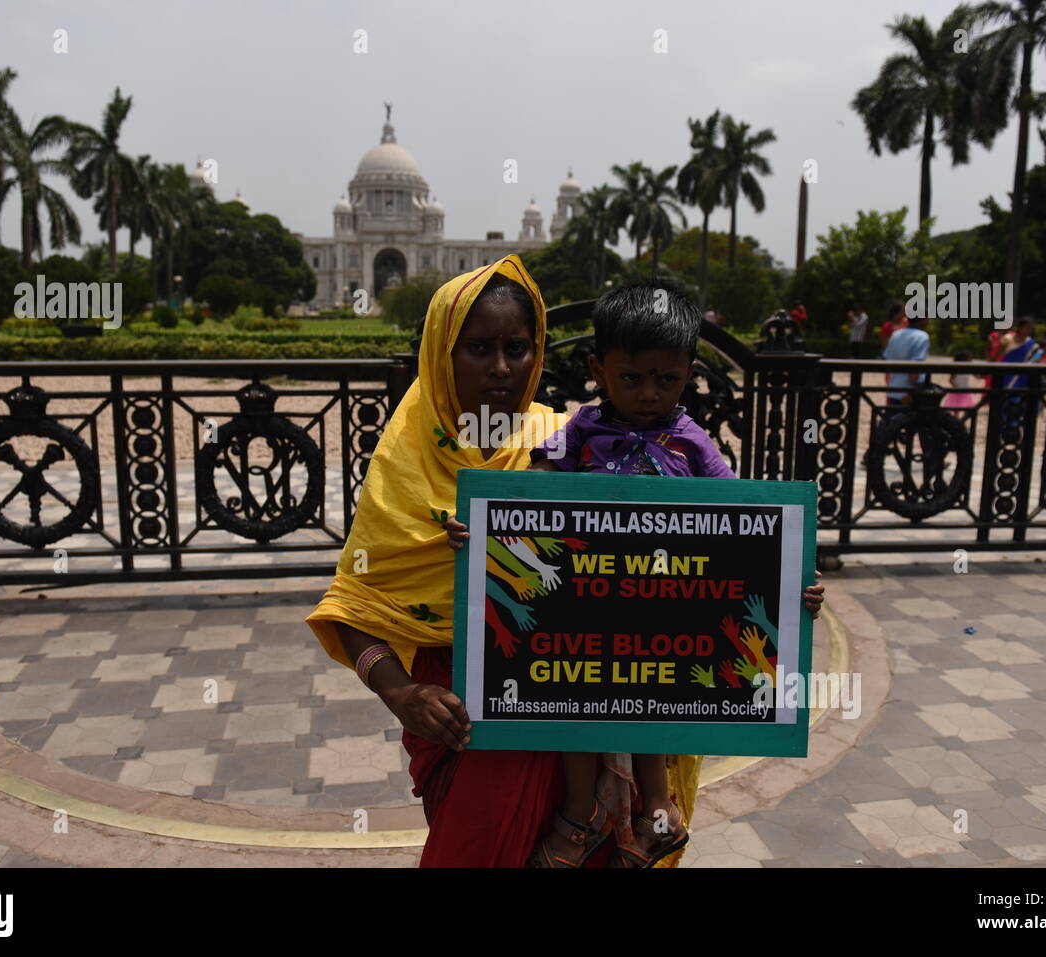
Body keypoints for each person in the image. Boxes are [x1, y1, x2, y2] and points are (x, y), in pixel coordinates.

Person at [447, 279, 826, 868]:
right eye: (632, 378)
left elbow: (751, 519)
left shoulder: (692, 440)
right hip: (585, 599)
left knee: (654, 706)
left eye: (666, 380)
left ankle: (657, 815)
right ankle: (582, 813)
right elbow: (533, 492)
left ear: (689, 373)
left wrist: (795, 571)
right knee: (569, 704)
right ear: (599, 369)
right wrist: (482, 531)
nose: (649, 393)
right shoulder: (579, 430)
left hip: (666, 603)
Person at [306, 255, 573, 868]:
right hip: (456, 713)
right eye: (478, 348)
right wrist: (401, 692)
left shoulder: (565, 441)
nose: (502, 368)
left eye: (518, 347)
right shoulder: (406, 456)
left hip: (556, 698)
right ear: (440, 352)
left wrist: (776, 580)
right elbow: (352, 603)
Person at [882, 308, 931, 403]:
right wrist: (911, 391)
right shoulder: (922, 336)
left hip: (893, 389)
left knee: (892, 416)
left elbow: (887, 357)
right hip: (909, 393)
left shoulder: (896, 334)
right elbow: (915, 365)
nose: (928, 321)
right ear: (922, 318)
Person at [943, 350, 982, 414]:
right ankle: (957, 419)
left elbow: (977, 376)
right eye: (969, 359)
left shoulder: (969, 368)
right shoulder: (956, 369)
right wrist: (956, 386)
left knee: (968, 406)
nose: (971, 361)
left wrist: (983, 376)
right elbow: (951, 380)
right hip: (957, 391)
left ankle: (964, 418)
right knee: (956, 407)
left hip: (965, 390)